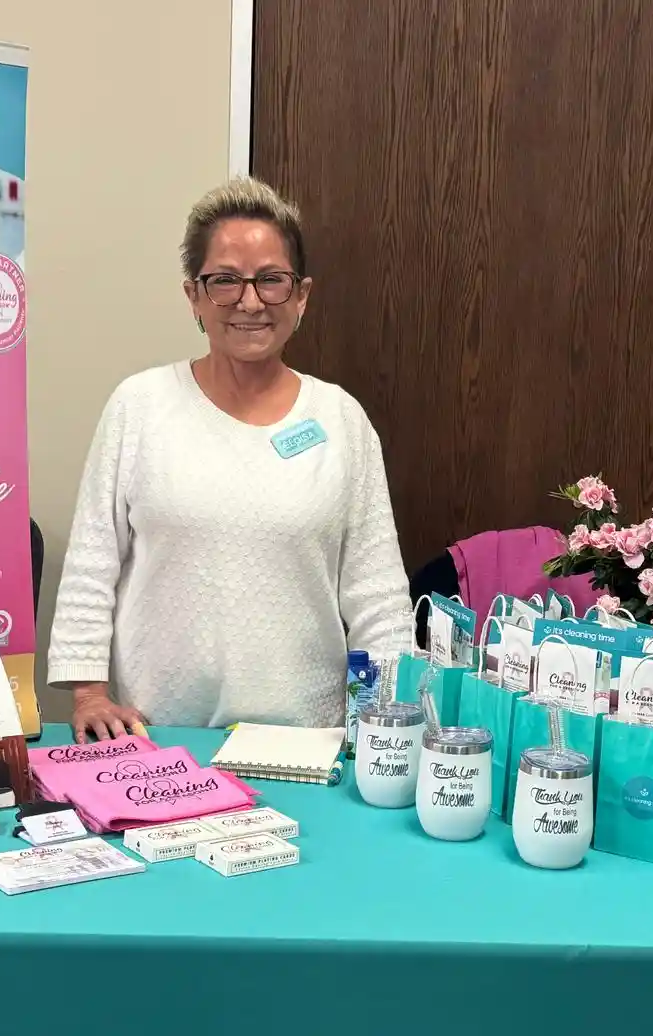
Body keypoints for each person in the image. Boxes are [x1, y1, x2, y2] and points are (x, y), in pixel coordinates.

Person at [49, 177, 410, 741]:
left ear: (302, 295)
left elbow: (377, 594)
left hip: (309, 740)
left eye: (271, 280)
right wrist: (90, 694)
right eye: (224, 282)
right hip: (161, 735)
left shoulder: (341, 420)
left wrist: (387, 722)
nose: (249, 301)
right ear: (193, 295)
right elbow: (93, 564)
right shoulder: (140, 407)